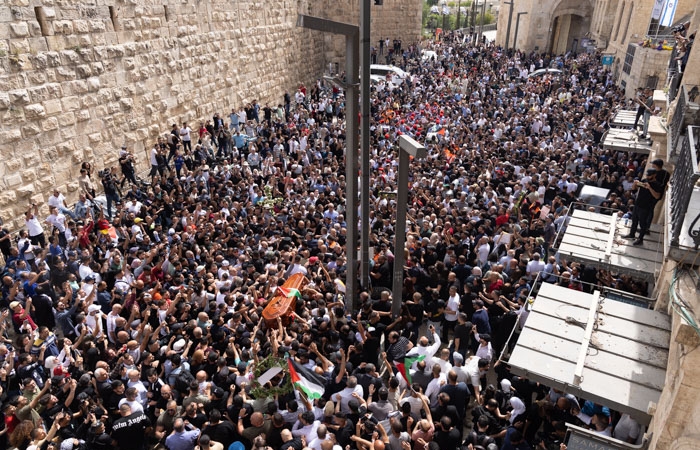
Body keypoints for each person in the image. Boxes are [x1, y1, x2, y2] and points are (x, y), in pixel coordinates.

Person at [624, 168, 665, 246]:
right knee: (634, 221)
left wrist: (649, 188)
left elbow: (657, 196)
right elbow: (633, 191)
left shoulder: (658, 185)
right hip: (638, 204)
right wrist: (634, 184)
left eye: (649, 175)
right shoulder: (644, 180)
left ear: (654, 175)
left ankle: (640, 239)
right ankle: (632, 234)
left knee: (643, 224)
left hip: (646, 207)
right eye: (647, 175)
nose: (648, 177)